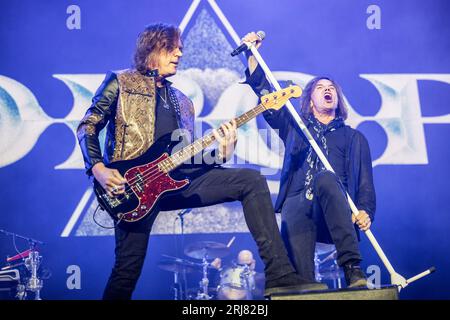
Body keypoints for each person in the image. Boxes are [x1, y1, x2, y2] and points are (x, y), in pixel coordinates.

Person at [77, 23, 327, 300]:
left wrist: (222, 152)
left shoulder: (183, 101)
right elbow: (88, 125)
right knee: (127, 270)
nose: (179, 55)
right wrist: (97, 168)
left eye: (181, 50)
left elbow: (185, 156)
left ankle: (280, 275)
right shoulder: (121, 81)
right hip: (131, 189)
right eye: (172, 49)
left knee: (250, 180)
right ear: (152, 48)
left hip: (175, 184)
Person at [242, 32, 376, 288]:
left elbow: (366, 185)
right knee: (302, 282)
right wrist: (252, 55)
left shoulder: (354, 138)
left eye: (332, 88)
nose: (328, 90)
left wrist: (365, 211)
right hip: (298, 201)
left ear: (337, 98)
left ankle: (352, 269)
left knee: (325, 178)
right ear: (309, 99)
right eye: (320, 87)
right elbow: (267, 97)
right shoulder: (294, 126)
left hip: (335, 207)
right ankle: (303, 285)